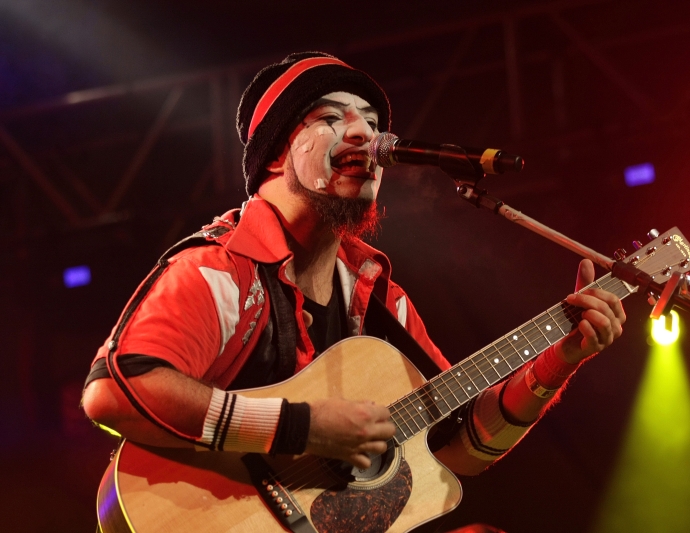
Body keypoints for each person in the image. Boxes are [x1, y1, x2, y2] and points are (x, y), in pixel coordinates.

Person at [82, 51, 625, 525]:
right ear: (276, 153)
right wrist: (302, 426)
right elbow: (114, 391)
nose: (366, 133)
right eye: (331, 118)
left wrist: (561, 359)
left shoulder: (380, 299)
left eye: (370, 120)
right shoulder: (221, 271)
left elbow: (460, 448)